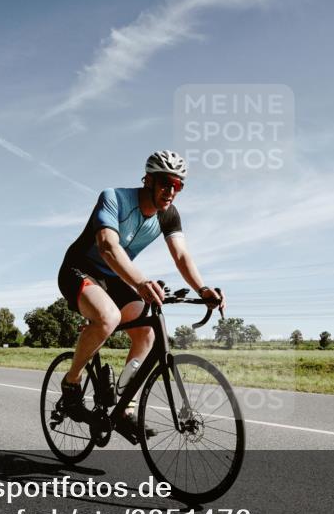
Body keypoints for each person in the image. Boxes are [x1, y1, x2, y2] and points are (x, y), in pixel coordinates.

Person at [56, 150, 225, 442]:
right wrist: (141, 282)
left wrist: (203, 289)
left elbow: (181, 255)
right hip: (79, 269)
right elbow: (108, 246)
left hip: (112, 277)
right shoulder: (114, 198)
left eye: (178, 185)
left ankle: (124, 407)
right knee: (107, 318)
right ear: (147, 179)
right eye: (165, 182)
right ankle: (71, 385)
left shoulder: (168, 215)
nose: (170, 191)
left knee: (147, 332)